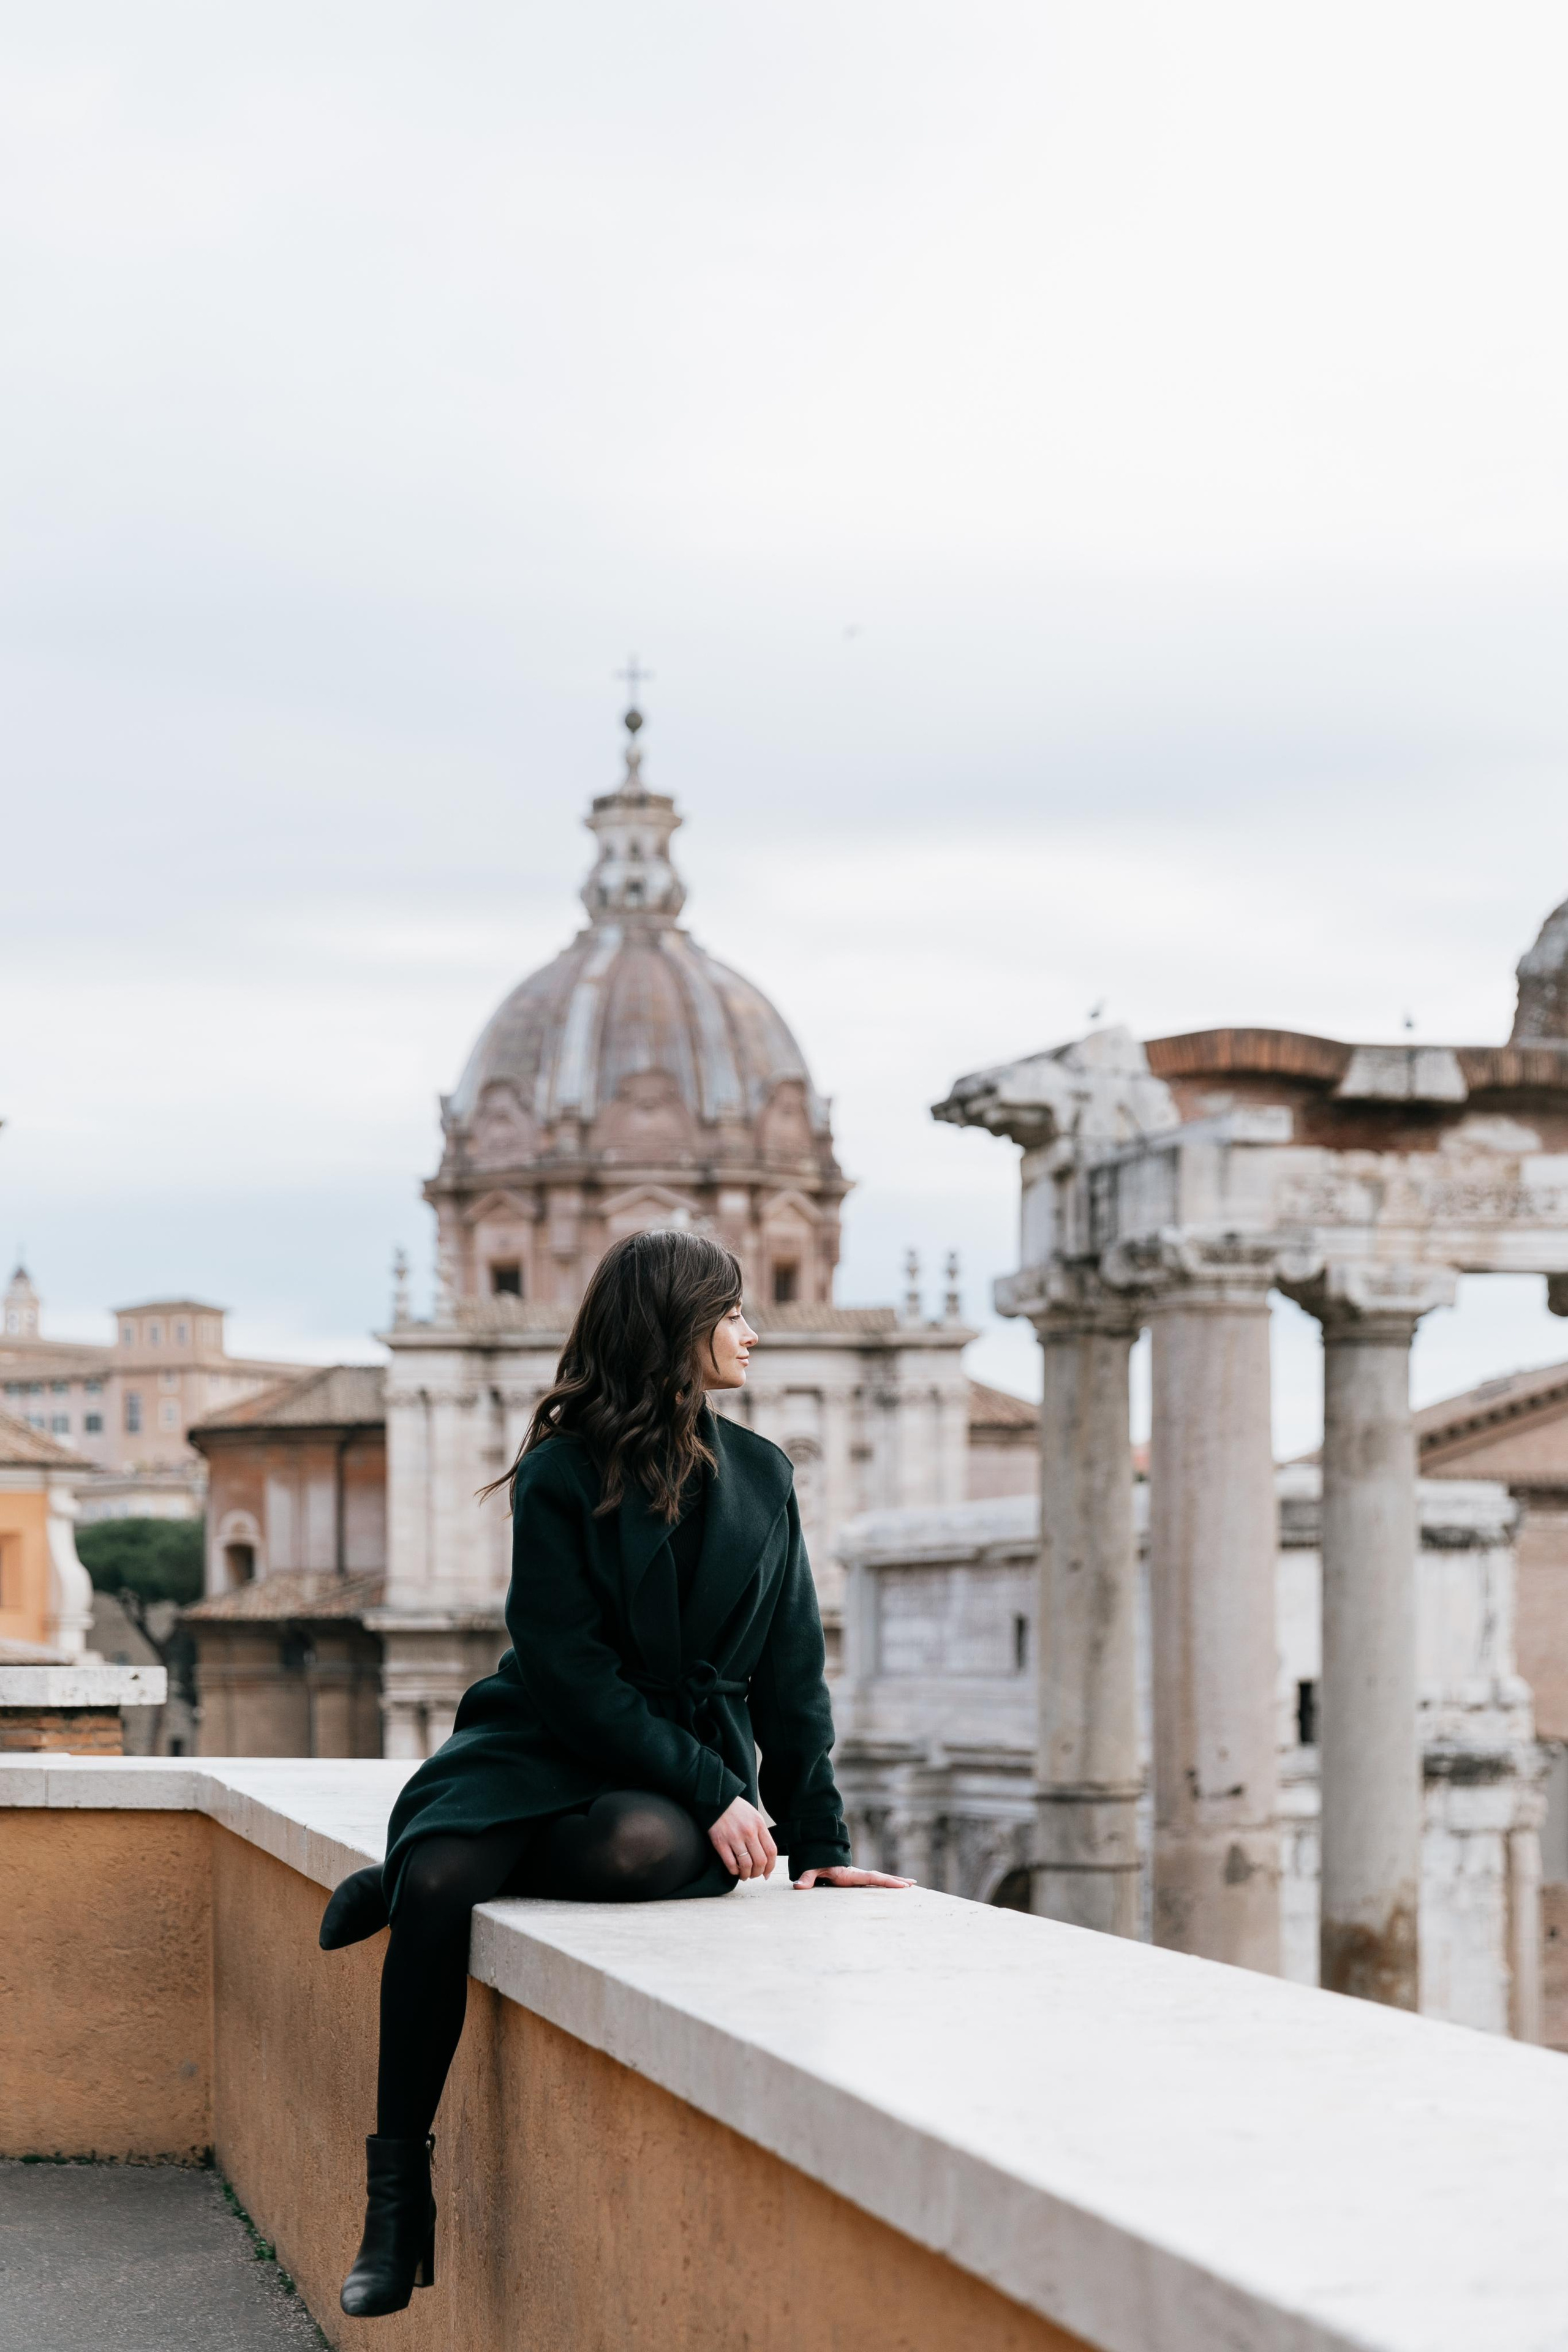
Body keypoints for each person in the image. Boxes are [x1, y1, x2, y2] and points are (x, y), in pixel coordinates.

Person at [318, 1227, 912, 2317]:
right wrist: (714, 1786)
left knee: (643, 1852)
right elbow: (570, 1671)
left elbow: (794, 1673)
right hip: (543, 1734)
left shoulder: (769, 1477)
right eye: (730, 1313)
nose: (753, 1331)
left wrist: (819, 1845)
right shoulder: (558, 1473)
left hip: (670, 1774)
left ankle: (411, 1867)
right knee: (448, 1889)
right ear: (674, 1329)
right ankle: (396, 2209)